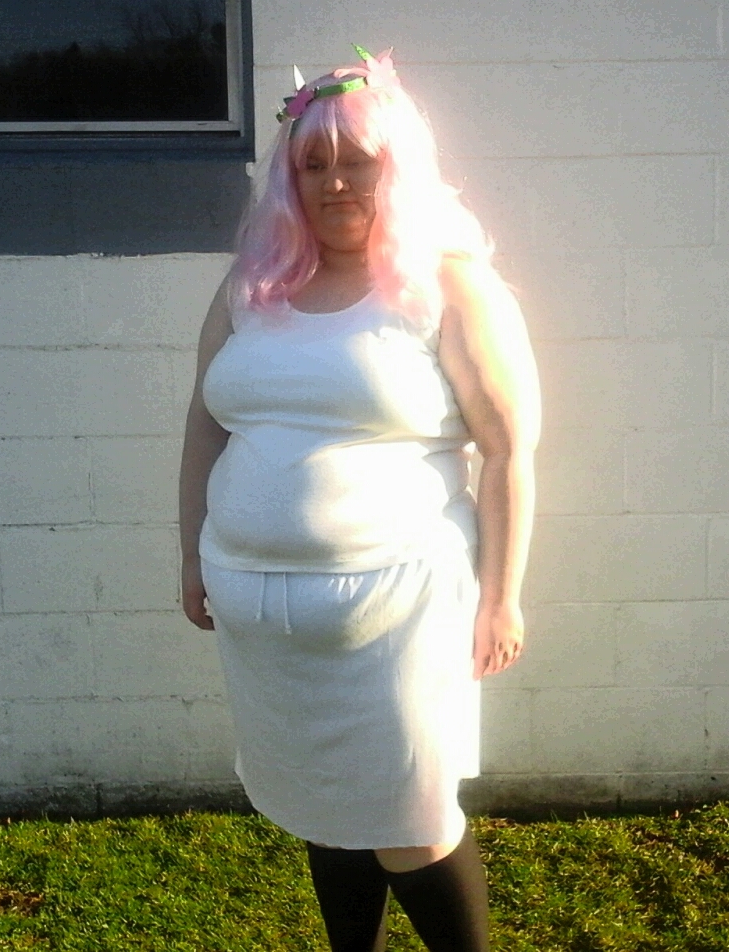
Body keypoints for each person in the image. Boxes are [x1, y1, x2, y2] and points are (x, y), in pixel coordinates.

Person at [178, 45, 540, 952]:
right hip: (264, 623)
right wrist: (190, 555)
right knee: (324, 810)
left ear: (397, 167)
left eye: (357, 161)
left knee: (412, 821)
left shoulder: (448, 286)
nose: (335, 182)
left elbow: (507, 452)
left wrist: (502, 598)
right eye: (313, 164)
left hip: (401, 611)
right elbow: (205, 427)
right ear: (289, 181)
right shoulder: (253, 289)